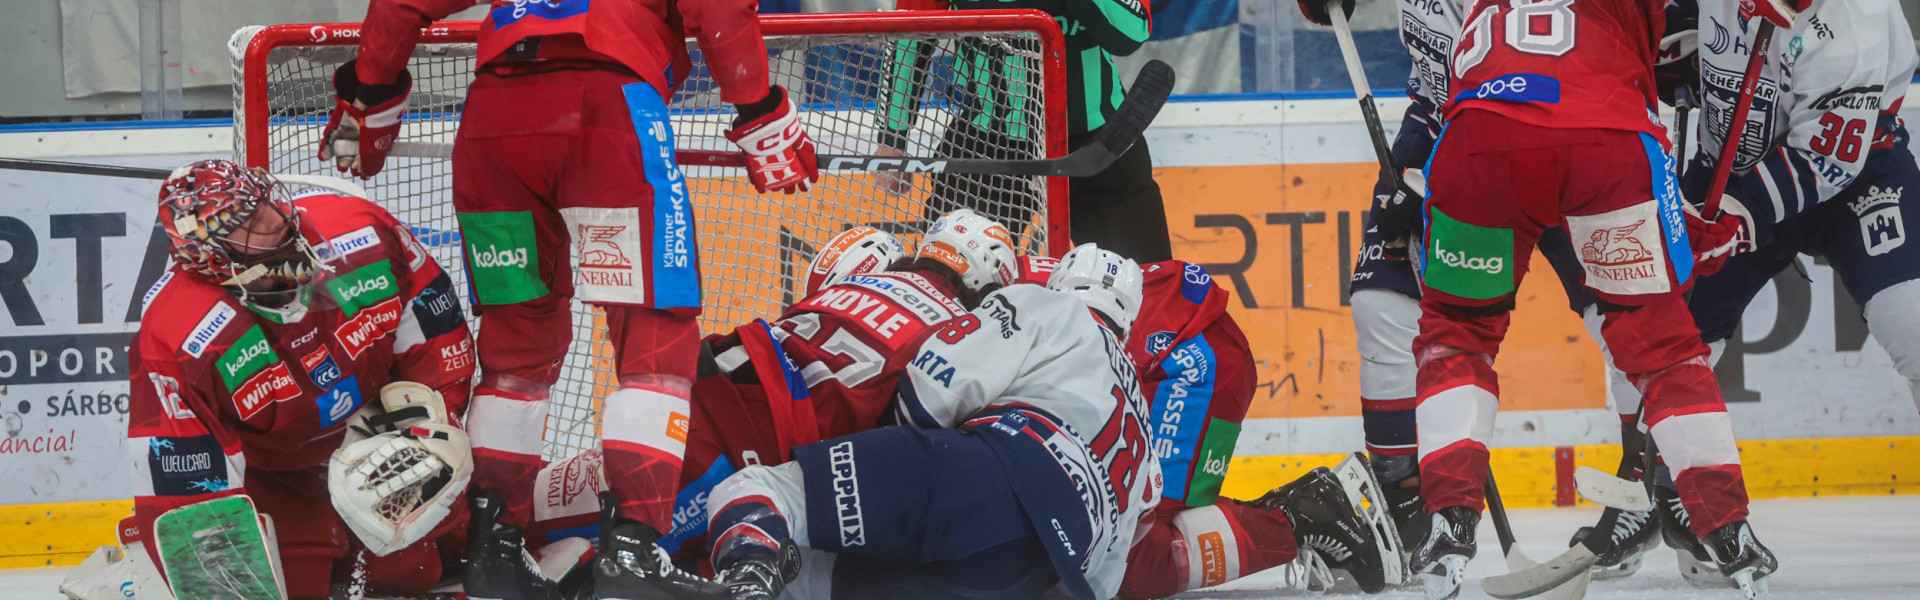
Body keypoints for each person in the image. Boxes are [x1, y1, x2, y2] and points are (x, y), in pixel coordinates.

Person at [333, 1, 819, 597]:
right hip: (604, 109)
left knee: (515, 355)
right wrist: (759, 108)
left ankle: (494, 552)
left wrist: (367, 106)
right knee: (654, 343)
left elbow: (401, 5)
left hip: (491, 122)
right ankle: (634, 553)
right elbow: (721, 8)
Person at [1380, 0, 1787, 596]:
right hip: (1603, 138)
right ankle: (1728, 531)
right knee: (1663, 344)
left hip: (1480, 139)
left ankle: (1448, 522)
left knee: (1456, 336)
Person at [1294, 0, 1659, 580]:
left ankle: (1651, 488)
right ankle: (1407, 507)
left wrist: (1429, 180)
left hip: (1560, 121)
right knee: (1381, 299)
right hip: (1448, 123)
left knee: (1624, 317)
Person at [1619, 0, 1914, 587]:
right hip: (1728, 160)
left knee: (1915, 323)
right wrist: (1674, 36)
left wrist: (1735, 214)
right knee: (1659, 328)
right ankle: (1666, 500)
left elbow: (1827, 156)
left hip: (1855, 171)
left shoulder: (1854, 20)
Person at [701, 243, 1155, 600]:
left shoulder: (1051, 307)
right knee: (818, 582)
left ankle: (742, 579)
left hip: (983, 478)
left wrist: (886, 461)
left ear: (1060, 280)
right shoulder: (1141, 416)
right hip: (1029, 573)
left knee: (758, 490)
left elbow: (931, 392)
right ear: (1130, 319)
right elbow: (1103, 583)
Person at [126, 160, 476, 599]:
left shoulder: (360, 232)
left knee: (420, 571)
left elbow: (435, 333)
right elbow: (188, 494)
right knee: (296, 590)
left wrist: (437, 427)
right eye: (251, 222)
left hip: (378, 435)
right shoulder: (180, 337)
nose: (278, 218)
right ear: (210, 252)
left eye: (268, 202)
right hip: (278, 479)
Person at [878, 0, 1172, 262]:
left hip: (1098, 149)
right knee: (950, 290)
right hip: (984, 151)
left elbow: (1129, 35)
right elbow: (910, 35)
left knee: (1145, 292)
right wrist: (893, 137)